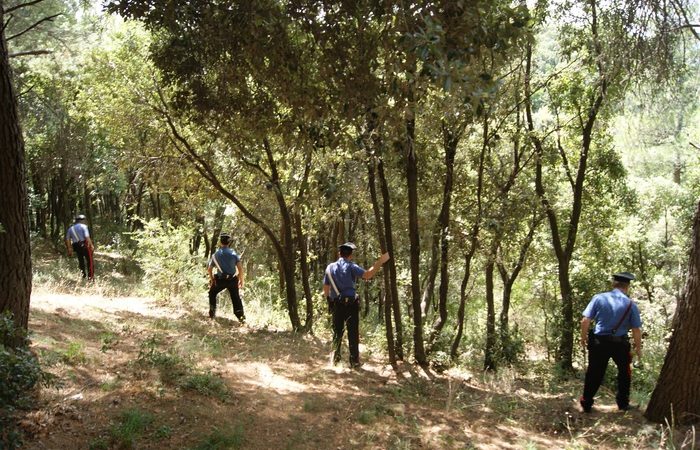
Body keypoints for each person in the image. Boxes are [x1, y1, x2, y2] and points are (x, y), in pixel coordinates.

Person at [579, 271, 642, 413]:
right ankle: (623, 404)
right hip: (620, 344)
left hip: (599, 343)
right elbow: (636, 329)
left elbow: (585, 320)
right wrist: (638, 348)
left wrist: (583, 338)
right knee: (625, 373)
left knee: (594, 372)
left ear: (614, 284)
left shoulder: (598, 298)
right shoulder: (630, 305)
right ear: (627, 287)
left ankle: (586, 402)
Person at [323, 242, 390, 368]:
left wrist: (329, 301)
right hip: (351, 305)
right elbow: (368, 275)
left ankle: (335, 359)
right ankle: (354, 362)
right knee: (353, 333)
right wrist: (380, 261)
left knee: (337, 332)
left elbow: (326, 287)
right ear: (351, 255)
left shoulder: (330, 268)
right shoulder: (351, 266)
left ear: (339, 254)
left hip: (336, 304)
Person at [207, 233, 245, 323]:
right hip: (232, 280)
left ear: (220, 242)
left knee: (212, 293)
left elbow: (209, 269)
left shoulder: (216, 254)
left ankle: (212, 314)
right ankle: (241, 318)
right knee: (236, 298)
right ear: (229, 242)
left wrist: (212, 280)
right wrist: (241, 280)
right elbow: (240, 269)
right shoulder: (233, 253)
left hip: (220, 280)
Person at [65, 214, 94, 280]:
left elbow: (67, 239)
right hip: (84, 245)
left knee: (81, 261)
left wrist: (69, 248)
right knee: (89, 261)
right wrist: (91, 245)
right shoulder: (84, 226)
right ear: (82, 220)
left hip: (76, 246)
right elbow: (87, 237)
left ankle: (83, 276)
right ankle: (90, 277)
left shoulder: (70, 228)